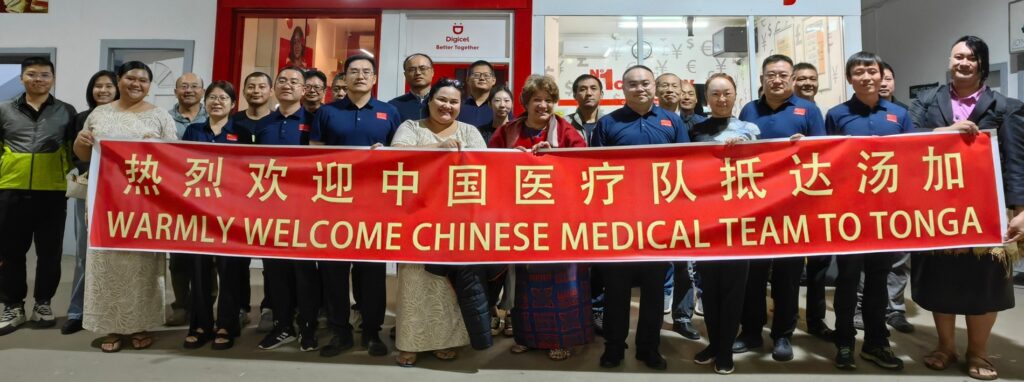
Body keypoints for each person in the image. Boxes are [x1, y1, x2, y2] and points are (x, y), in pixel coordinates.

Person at [909, 35, 1024, 381]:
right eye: (958, 56)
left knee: (984, 281)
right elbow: (908, 145)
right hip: (937, 210)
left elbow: (1016, 162)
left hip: (988, 209)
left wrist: (1020, 210)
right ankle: (946, 346)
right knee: (941, 279)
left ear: (981, 64)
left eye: (970, 58)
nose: (963, 63)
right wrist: (947, 131)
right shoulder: (925, 102)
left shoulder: (1006, 107)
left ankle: (979, 351)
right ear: (949, 60)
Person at [590, 65, 690, 371]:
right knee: (616, 289)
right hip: (619, 223)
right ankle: (614, 347)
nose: (640, 89)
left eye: (645, 83)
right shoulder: (608, 123)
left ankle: (649, 347)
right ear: (623, 88)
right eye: (633, 84)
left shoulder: (672, 121)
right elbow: (592, 171)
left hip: (658, 223)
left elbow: (687, 164)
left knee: (654, 289)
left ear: (654, 87)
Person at [73, 61, 176, 352]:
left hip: (144, 205)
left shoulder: (159, 116)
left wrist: (157, 145)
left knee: (143, 265)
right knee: (106, 261)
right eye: (130, 78)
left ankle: (141, 324)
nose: (136, 84)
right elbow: (82, 153)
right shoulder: (100, 112)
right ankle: (111, 326)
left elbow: (174, 160)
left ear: (149, 86)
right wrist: (81, 141)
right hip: (105, 201)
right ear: (119, 80)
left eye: (143, 80)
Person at [488, 75, 591, 360]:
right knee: (523, 283)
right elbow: (487, 165)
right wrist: (512, 158)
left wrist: (556, 156)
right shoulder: (508, 132)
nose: (543, 105)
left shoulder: (568, 132)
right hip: (520, 220)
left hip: (559, 222)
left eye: (548, 100)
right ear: (526, 103)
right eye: (537, 100)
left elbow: (584, 168)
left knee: (562, 283)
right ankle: (526, 337)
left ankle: (561, 339)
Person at [734, 54, 826, 362]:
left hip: (793, 206)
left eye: (783, 75)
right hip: (755, 205)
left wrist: (806, 147)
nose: (777, 80)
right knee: (753, 274)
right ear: (762, 79)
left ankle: (783, 335)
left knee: (787, 274)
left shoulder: (808, 110)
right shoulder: (749, 109)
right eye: (771, 75)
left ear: (792, 79)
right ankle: (750, 331)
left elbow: (824, 155)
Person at [825, 51, 913, 372]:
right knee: (847, 280)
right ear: (850, 78)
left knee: (877, 280)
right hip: (850, 212)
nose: (866, 77)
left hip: (885, 214)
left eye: (872, 71)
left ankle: (877, 342)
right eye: (859, 72)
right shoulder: (836, 115)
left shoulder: (899, 115)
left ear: (881, 75)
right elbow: (827, 163)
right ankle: (845, 342)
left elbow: (914, 159)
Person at [391, 78, 487, 367]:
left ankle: (447, 341)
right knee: (414, 283)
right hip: (415, 221)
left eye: (454, 101)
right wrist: (437, 147)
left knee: (449, 286)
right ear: (429, 101)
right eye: (441, 99)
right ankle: (409, 343)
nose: (447, 106)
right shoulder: (410, 128)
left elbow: (488, 165)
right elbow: (396, 157)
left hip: (455, 222)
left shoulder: (470, 132)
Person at [311, 54, 399, 358]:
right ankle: (340, 332)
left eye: (366, 72)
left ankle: (372, 332)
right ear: (343, 79)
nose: (360, 76)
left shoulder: (389, 113)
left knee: (372, 273)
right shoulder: (326, 113)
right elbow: (314, 159)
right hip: (333, 207)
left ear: (374, 79)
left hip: (374, 207)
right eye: (353, 72)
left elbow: (401, 159)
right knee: (333, 272)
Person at [0, 57, 77, 336]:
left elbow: (73, 150)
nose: (38, 79)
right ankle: (13, 306)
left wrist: (66, 175)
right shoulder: (4, 109)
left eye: (44, 75)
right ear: (22, 78)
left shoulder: (66, 111)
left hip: (52, 193)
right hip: (10, 190)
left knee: (49, 254)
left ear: (53, 78)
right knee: (10, 253)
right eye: (32, 74)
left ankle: (43, 304)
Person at [690, 72, 759, 374]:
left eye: (726, 93)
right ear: (707, 98)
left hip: (740, 222)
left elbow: (769, 165)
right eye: (715, 94)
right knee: (709, 288)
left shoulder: (750, 129)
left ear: (735, 95)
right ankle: (714, 344)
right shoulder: (694, 130)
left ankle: (726, 349)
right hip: (706, 221)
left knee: (733, 290)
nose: (721, 99)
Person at [253, 66, 322, 352]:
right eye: (282, 80)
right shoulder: (262, 123)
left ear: (304, 89)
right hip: (270, 207)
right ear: (274, 88)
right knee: (275, 270)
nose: (287, 85)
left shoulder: (317, 120)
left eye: (294, 81)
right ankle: (283, 326)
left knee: (305, 271)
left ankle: (308, 326)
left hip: (305, 208)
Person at [180, 81, 253, 350]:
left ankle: (227, 323)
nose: (217, 102)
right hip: (198, 212)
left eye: (223, 98)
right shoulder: (193, 130)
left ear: (233, 104)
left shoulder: (243, 133)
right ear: (205, 101)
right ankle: (199, 324)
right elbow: (179, 164)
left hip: (231, 213)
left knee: (230, 270)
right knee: (198, 270)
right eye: (212, 97)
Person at [61, 70, 118, 335]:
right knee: (85, 253)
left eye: (109, 86)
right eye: (98, 86)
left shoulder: (126, 118)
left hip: (122, 195)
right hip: (89, 191)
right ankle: (76, 311)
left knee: (118, 255)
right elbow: (74, 154)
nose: (103, 90)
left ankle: (111, 308)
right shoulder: (82, 119)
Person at [167, 72, 209, 327]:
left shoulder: (215, 116)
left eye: (195, 86)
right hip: (175, 196)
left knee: (208, 257)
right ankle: (181, 304)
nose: (189, 90)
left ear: (202, 91)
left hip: (209, 197)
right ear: (175, 91)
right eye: (184, 86)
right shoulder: (162, 118)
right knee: (179, 257)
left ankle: (204, 305)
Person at [232, 71, 272, 331]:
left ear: (270, 91)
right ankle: (239, 306)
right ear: (244, 91)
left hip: (273, 199)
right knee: (237, 257)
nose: (256, 91)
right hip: (237, 200)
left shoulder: (278, 122)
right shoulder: (232, 122)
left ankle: (270, 307)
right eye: (250, 86)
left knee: (272, 258)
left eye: (261, 86)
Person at [670, 78, 708, 342]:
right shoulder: (658, 118)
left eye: (688, 94)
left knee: (686, 263)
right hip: (656, 199)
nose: (683, 97)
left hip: (690, 199)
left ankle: (682, 316)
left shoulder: (703, 125)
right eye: (676, 91)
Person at [388, 53, 434, 122]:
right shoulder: (393, 106)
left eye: (422, 68)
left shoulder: (444, 104)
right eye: (412, 69)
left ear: (432, 72)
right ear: (405, 74)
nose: (418, 73)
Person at [458, 60, 497, 129]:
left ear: (493, 80)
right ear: (467, 80)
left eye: (486, 75)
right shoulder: (458, 107)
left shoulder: (499, 108)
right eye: (476, 75)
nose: (482, 78)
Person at [566, 74, 603, 144]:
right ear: (575, 95)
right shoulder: (564, 124)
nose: (589, 93)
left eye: (593, 88)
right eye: (583, 89)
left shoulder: (610, 123)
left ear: (601, 94)